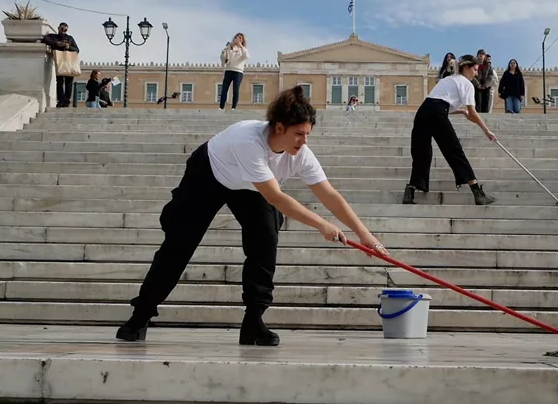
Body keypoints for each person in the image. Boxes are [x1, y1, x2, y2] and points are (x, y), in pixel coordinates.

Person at [116, 85, 389, 346]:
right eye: (298, 134)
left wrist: (366, 235)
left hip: (250, 187)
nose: (304, 141)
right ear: (279, 127)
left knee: (266, 236)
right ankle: (140, 315)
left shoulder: (300, 154)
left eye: (307, 134)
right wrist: (321, 224)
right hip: (210, 173)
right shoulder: (248, 141)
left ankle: (253, 321)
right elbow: (276, 197)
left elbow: (330, 195)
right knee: (181, 242)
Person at [402, 54, 498, 206]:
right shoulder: (466, 84)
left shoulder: (447, 79)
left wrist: (461, 112)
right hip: (437, 112)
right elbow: (472, 112)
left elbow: (437, 103)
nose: (476, 73)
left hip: (423, 111)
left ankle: (410, 191)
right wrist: (487, 131)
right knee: (454, 150)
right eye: (474, 69)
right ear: (466, 67)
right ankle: (477, 192)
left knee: (421, 153)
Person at [42, 22, 79, 108]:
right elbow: (45, 39)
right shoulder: (53, 36)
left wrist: (68, 46)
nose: (63, 31)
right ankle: (60, 100)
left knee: (69, 83)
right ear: (58, 28)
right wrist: (57, 44)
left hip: (69, 62)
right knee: (59, 82)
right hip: (59, 61)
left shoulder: (70, 38)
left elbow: (77, 49)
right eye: (62, 29)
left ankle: (66, 101)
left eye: (65, 30)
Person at [219, 33, 249, 110]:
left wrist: (241, 46)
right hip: (228, 70)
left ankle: (233, 107)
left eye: (241, 38)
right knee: (224, 89)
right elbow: (223, 58)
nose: (238, 40)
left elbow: (246, 56)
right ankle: (221, 106)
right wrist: (229, 48)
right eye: (237, 38)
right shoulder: (228, 48)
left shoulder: (243, 50)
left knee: (236, 89)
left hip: (238, 71)